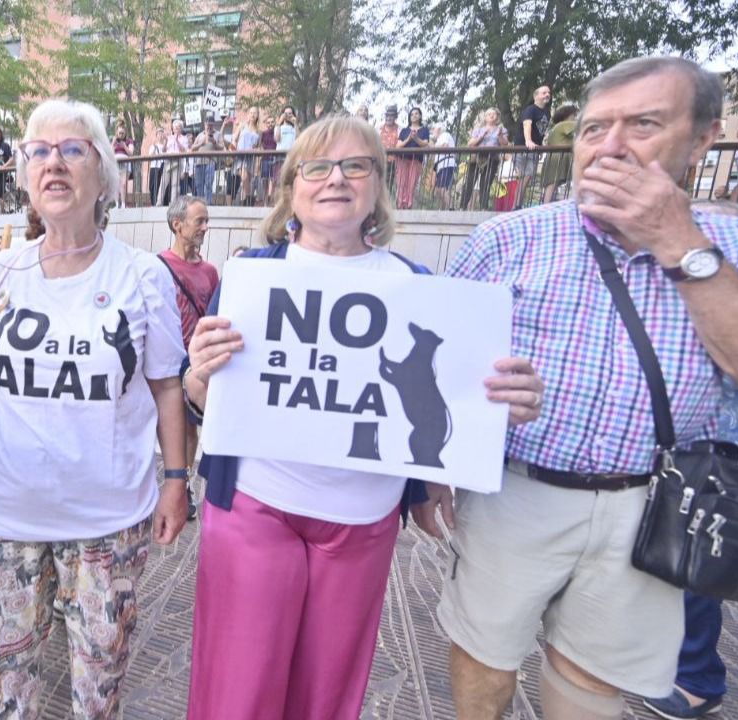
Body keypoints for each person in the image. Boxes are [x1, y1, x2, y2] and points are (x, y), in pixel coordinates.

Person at [423, 56, 738, 720]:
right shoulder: (507, 238)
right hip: (516, 493)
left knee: (590, 686)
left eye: (643, 124)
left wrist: (679, 243)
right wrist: (443, 466)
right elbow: (439, 372)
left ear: (702, 138)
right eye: (594, 129)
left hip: (647, 504)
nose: (610, 146)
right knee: (482, 655)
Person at [183, 114, 543, 720]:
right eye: (317, 167)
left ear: (378, 185)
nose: (336, 179)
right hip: (254, 504)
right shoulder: (252, 277)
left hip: (361, 523)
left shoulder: (419, 287)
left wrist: (505, 408)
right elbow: (203, 400)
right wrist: (198, 377)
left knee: (326, 694)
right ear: (292, 186)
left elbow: (446, 404)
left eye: (356, 165)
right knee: (236, 691)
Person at [0, 98, 188, 719]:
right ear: (24, 174)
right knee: (5, 691)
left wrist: (176, 479)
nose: (54, 163)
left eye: (74, 150)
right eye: (38, 151)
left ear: (104, 175)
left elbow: (167, 387)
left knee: (98, 693)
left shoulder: (143, 276)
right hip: (2, 516)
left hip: (108, 521)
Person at [642, 199, 738, 720]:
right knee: (661, 559)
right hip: (671, 451)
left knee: (695, 563)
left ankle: (697, 678)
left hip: (717, 454)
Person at [159, 195, 218, 520]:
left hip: (194, 365)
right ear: (177, 225)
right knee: (159, 424)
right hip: (162, 359)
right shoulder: (157, 265)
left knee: (189, 429)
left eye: (206, 221)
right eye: (200, 221)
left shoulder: (209, 272)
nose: (205, 228)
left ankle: (181, 487)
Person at [460, 108, 509, 210]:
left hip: (492, 158)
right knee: (469, 182)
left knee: (485, 183)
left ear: (497, 117)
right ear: (485, 117)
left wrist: (499, 135)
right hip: (477, 157)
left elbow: (505, 144)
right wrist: (481, 136)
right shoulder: (479, 130)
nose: (491, 116)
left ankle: (483, 208)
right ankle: (462, 206)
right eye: (489, 114)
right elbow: (470, 144)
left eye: (494, 114)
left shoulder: (501, 130)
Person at [516, 85, 552, 205]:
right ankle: (516, 206)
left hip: (534, 148)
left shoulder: (547, 112)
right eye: (544, 93)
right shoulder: (530, 109)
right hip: (523, 147)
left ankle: (517, 205)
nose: (547, 95)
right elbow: (527, 125)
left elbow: (541, 131)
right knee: (525, 176)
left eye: (548, 93)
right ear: (536, 96)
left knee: (527, 177)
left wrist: (539, 146)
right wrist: (528, 141)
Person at [541, 104, 579, 203]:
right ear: (567, 115)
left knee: (552, 184)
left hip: (554, 157)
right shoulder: (564, 124)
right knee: (553, 183)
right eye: (574, 115)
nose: (575, 117)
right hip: (559, 158)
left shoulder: (556, 127)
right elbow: (581, 125)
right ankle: (546, 206)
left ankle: (546, 205)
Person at [395, 107, 431, 209]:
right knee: (402, 183)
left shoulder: (424, 130)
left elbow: (425, 143)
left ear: (420, 116)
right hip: (403, 159)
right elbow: (398, 145)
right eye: (412, 114)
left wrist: (416, 138)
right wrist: (409, 138)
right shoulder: (405, 131)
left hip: (416, 160)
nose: (414, 116)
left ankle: (408, 205)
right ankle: (400, 204)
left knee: (411, 183)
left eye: (416, 114)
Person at [234, 108, 262, 205]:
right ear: (248, 115)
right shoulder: (242, 126)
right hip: (241, 156)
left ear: (258, 115)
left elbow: (258, 147)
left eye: (255, 113)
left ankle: (244, 202)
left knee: (247, 181)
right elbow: (235, 138)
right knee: (244, 178)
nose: (252, 114)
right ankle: (249, 199)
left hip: (251, 157)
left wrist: (258, 161)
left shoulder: (258, 131)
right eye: (251, 112)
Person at [191, 118, 223, 204]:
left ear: (213, 125)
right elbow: (192, 148)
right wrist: (200, 144)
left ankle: (208, 203)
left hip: (210, 161)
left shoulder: (218, 134)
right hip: (199, 162)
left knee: (209, 184)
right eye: (207, 124)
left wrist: (214, 142)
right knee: (199, 185)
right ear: (205, 124)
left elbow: (222, 148)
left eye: (211, 124)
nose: (209, 126)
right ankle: (200, 203)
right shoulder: (200, 134)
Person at [157, 119, 188, 206]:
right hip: (168, 161)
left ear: (181, 129)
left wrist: (177, 140)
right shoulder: (169, 138)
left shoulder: (184, 139)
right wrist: (166, 141)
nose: (176, 130)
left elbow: (183, 150)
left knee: (175, 183)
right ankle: (159, 202)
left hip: (177, 161)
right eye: (175, 128)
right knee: (163, 182)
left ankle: (173, 203)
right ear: (173, 129)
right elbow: (163, 150)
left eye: (178, 128)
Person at [432, 123, 457, 210]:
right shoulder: (440, 138)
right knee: (439, 189)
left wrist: (433, 146)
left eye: (433, 129)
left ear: (438, 129)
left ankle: (451, 207)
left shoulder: (444, 135)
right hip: (441, 166)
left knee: (442, 188)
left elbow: (445, 146)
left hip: (446, 164)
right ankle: (443, 209)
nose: (432, 131)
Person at [113, 122, 135, 208]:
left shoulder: (129, 141)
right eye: (119, 133)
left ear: (125, 132)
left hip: (125, 163)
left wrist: (124, 146)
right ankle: (116, 203)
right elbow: (109, 153)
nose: (121, 135)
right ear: (117, 132)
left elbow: (131, 153)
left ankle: (123, 203)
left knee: (123, 184)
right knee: (115, 184)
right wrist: (113, 143)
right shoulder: (114, 141)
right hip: (115, 163)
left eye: (122, 133)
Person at [147, 127, 168, 206]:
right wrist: (155, 149)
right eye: (159, 134)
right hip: (154, 167)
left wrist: (166, 141)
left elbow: (165, 150)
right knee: (153, 186)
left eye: (162, 133)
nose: (160, 135)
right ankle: (153, 202)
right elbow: (150, 157)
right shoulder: (153, 146)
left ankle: (162, 202)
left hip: (163, 167)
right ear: (156, 136)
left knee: (162, 185)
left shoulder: (166, 145)